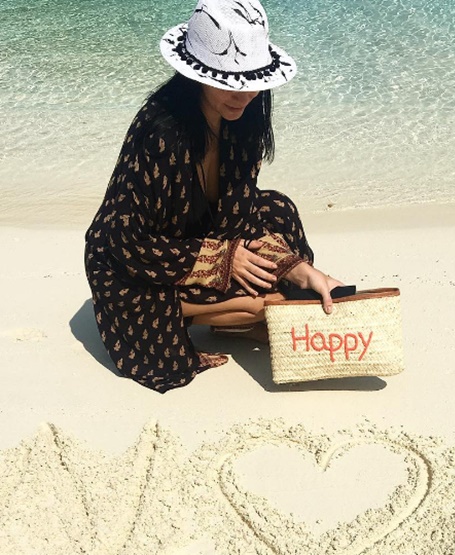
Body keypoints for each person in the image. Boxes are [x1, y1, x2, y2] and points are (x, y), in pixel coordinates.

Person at [84, 0, 342, 392]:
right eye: (230, 82)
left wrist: (297, 269)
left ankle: (237, 316)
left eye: (253, 81)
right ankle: (208, 313)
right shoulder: (161, 133)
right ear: (196, 75)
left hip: (198, 233)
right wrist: (221, 259)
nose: (245, 94)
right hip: (129, 262)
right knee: (261, 303)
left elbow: (242, 213)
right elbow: (126, 242)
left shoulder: (245, 118)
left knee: (279, 210)